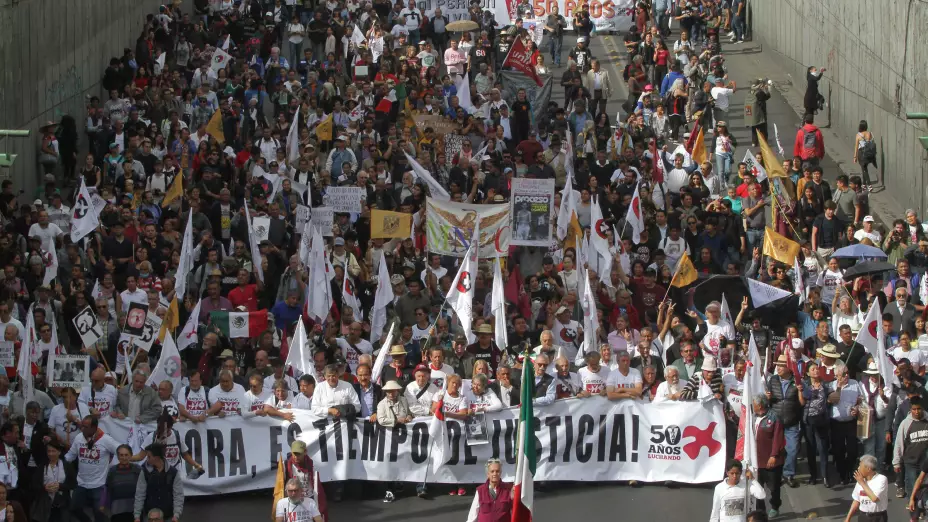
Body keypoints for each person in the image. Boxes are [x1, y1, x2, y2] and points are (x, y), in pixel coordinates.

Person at [64, 416, 121, 522]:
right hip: (81, 483)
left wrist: (118, 462)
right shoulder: (79, 437)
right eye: (82, 426)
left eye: (85, 427)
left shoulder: (106, 439)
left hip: (99, 485)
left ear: (94, 427)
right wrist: (58, 461)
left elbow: (121, 450)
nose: (82, 429)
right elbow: (70, 455)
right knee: (74, 508)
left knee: (99, 514)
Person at [133, 443, 184, 522]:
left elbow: (178, 495)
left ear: (156, 457)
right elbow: (140, 494)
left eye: (149, 456)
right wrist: (137, 515)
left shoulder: (173, 473)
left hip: (168, 516)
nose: (147, 459)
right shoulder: (145, 472)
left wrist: (176, 515)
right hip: (149, 516)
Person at [753, 395, 786, 518]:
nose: (752, 405)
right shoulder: (753, 417)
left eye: (754, 403)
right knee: (758, 488)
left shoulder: (774, 417)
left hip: (771, 460)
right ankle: (760, 512)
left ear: (760, 405)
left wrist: (773, 455)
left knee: (774, 487)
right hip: (757, 460)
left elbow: (778, 438)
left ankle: (775, 506)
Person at [845, 455, 889, 522]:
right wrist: (848, 518)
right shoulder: (860, 481)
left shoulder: (881, 479)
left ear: (868, 469)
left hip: (878, 517)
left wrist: (862, 483)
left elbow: (874, 498)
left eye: (860, 466)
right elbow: (856, 500)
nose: (858, 468)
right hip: (863, 516)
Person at [106, 444, 140, 522]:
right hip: (117, 511)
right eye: (121, 455)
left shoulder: (138, 470)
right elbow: (108, 490)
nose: (124, 458)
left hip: (135, 511)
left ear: (131, 455)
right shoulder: (112, 471)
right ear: (118, 456)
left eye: (126, 455)